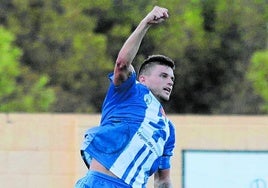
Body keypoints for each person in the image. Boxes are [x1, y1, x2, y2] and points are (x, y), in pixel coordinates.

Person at [75, 6, 176, 188]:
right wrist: (145, 23)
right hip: (99, 183)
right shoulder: (130, 91)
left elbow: (163, 179)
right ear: (142, 79)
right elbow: (122, 63)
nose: (170, 82)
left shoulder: (168, 130)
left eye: (172, 78)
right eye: (163, 76)